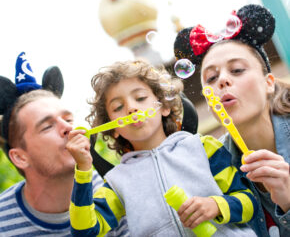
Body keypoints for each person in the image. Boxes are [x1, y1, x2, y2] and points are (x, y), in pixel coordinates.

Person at [67, 59, 258, 237]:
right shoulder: (117, 183)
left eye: (140, 98)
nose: (131, 108)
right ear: (113, 128)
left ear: (164, 107)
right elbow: (85, 231)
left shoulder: (203, 148)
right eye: (118, 107)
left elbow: (250, 203)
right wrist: (83, 169)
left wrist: (216, 206)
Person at [174, 4, 290, 237]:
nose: (223, 81)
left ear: (269, 83)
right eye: (211, 77)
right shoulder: (211, 167)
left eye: (236, 70)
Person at [0, 52, 129, 236]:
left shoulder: (113, 193)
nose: (68, 128)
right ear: (20, 157)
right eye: (47, 127)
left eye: (68, 119)